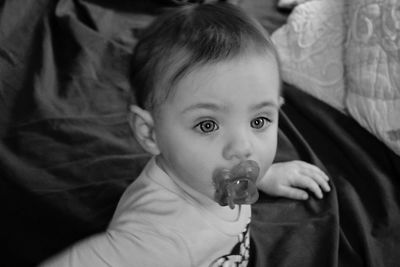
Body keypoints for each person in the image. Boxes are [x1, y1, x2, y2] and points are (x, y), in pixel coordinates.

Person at [40, 2, 330, 267]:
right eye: (207, 125)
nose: (243, 148)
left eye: (259, 120)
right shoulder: (162, 238)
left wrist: (266, 176)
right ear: (150, 133)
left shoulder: (212, 171)